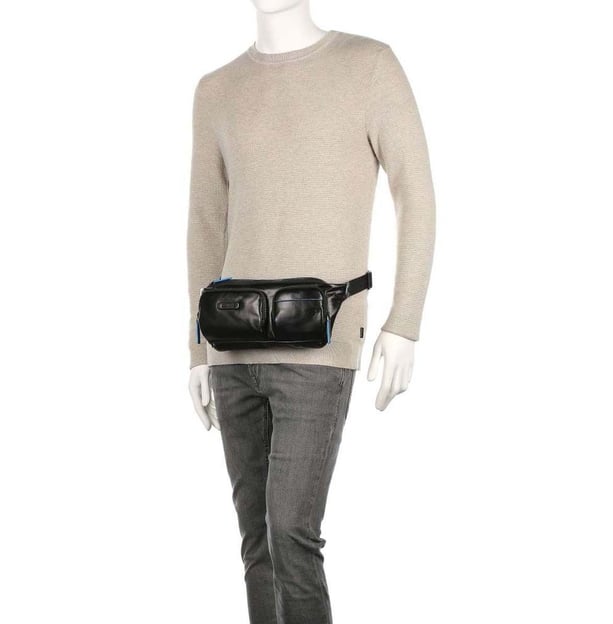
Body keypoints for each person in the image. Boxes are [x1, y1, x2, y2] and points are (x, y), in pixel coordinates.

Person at [186, 6, 436, 623]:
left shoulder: (369, 65)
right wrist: (197, 352)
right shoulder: (216, 90)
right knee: (258, 543)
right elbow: (205, 224)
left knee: (292, 535)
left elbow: (415, 192)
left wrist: (403, 320)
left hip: (318, 347)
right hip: (231, 349)